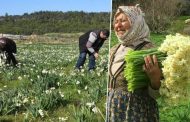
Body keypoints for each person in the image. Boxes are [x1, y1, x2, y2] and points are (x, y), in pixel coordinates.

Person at [107, 5, 162, 122]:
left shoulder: (148, 49)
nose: (118, 25)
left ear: (136, 22)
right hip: (114, 110)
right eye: (116, 22)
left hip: (137, 112)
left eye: (123, 21)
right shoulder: (114, 49)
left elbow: (157, 94)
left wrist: (155, 79)